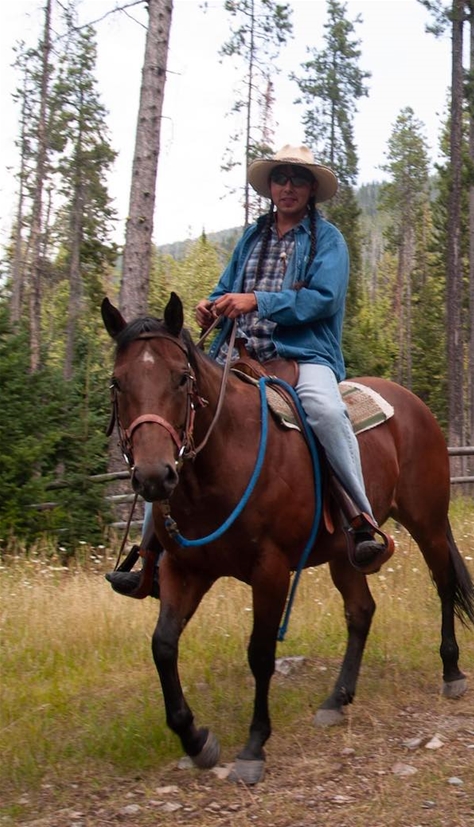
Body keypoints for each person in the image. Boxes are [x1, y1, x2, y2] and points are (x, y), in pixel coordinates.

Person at [107, 144, 391, 598]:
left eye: (298, 180)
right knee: (178, 422)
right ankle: (149, 554)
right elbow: (227, 288)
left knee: (325, 411)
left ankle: (360, 521)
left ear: (311, 188)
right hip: (237, 354)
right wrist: (211, 306)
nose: (288, 187)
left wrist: (257, 300)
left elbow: (324, 299)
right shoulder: (252, 237)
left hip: (303, 356)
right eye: (281, 179)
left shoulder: (328, 240)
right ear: (271, 186)